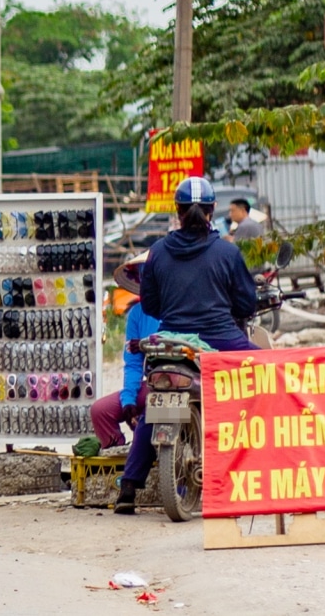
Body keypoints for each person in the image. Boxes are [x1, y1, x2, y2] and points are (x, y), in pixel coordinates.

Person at [114, 177, 258, 514]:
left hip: (172, 342)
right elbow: (247, 304)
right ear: (212, 211)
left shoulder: (158, 253)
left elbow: (149, 305)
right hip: (221, 338)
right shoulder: (227, 251)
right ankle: (265, 466)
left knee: (157, 405)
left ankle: (128, 488)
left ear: (177, 211)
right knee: (268, 372)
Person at [89, 253, 160, 449]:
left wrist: (149, 343)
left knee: (151, 415)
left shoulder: (177, 306)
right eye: (142, 276)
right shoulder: (137, 313)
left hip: (175, 382)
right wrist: (128, 401)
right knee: (100, 411)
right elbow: (133, 363)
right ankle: (120, 457)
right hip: (151, 384)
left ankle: (144, 454)